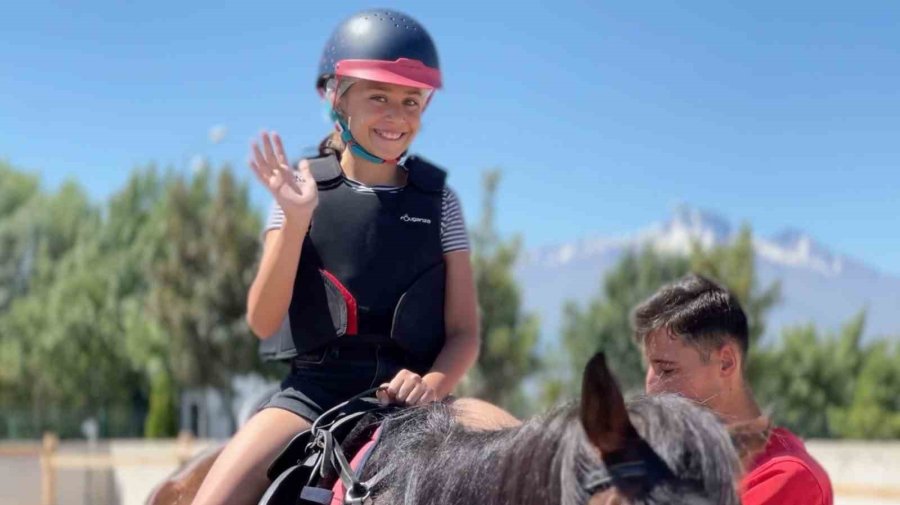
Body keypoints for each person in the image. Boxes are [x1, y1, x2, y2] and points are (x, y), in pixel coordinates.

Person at [191, 9, 515, 505]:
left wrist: (432, 383)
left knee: (525, 454)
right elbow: (262, 318)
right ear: (336, 97)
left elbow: (464, 333)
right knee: (212, 500)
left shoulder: (442, 203)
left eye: (412, 100)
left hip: (419, 399)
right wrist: (294, 220)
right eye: (378, 96)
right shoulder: (300, 187)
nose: (397, 114)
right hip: (313, 395)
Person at [631, 273, 833, 505]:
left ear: (726, 362)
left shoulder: (786, 479)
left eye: (667, 370)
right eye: (649, 367)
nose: (651, 388)